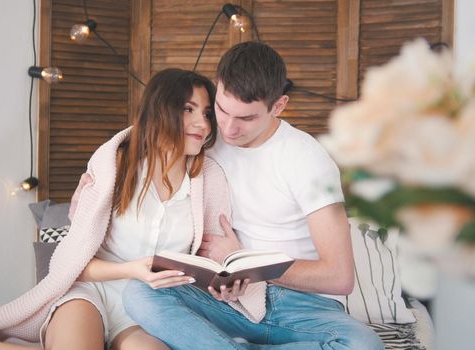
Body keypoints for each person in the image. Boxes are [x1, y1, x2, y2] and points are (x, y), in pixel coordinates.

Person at [0, 68, 237, 350]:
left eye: (207, 113)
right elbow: (73, 260)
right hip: (92, 291)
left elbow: (208, 266)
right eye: (189, 109)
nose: (203, 124)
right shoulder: (116, 165)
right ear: (160, 110)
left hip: (151, 306)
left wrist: (228, 273)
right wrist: (130, 270)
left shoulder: (208, 179)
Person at [123, 42, 385, 349]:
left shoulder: (307, 159)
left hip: (302, 309)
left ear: (279, 106)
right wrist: (100, 171)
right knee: (139, 293)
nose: (229, 129)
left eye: (246, 118)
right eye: (221, 109)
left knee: (363, 344)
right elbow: (149, 134)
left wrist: (247, 263)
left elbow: (339, 276)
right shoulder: (206, 137)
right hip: (230, 304)